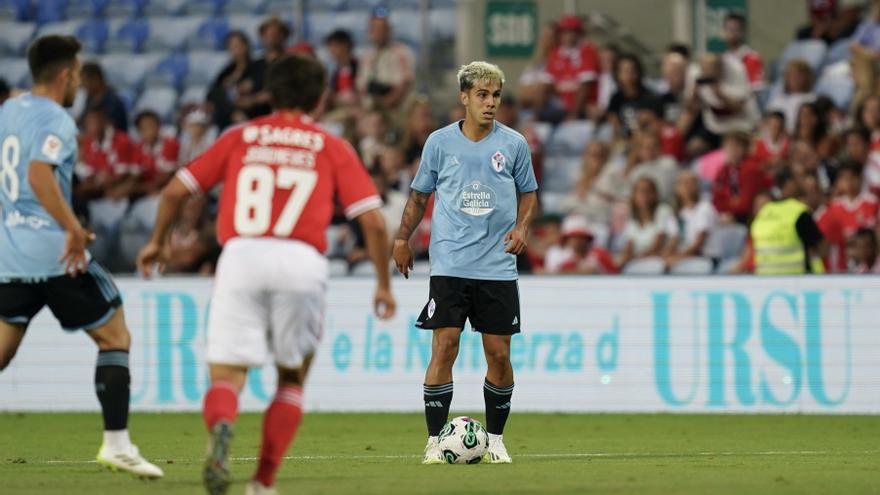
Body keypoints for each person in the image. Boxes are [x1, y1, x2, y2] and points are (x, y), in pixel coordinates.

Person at [136, 53, 395, 495]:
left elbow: (176, 190)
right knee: (291, 377)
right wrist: (382, 283)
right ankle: (262, 482)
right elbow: (371, 221)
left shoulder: (242, 136)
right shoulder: (331, 145)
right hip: (301, 260)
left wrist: (158, 241)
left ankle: (222, 429)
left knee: (227, 377)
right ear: (321, 98)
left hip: (241, 255)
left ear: (270, 94)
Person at [0, 35, 162, 478]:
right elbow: (38, 175)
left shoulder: (8, 112)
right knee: (115, 335)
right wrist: (72, 227)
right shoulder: (57, 119)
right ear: (67, 74)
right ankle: (117, 444)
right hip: (55, 254)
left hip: (9, 255)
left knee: (1, 353)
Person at [391, 61, 538, 465]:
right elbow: (420, 196)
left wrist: (522, 228)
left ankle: (495, 440)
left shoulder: (514, 144)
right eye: (482, 95)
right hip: (451, 264)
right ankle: (435, 442)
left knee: (499, 355)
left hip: (496, 267)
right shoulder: (439, 143)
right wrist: (402, 238)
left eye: (496, 96)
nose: (490, 103)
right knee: (445, 347)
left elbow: (528, 194)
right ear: (464, 97)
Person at [751, 167, 826, 274]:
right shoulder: (798, 212)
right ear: (789, 183)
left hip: (765, 282)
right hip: (797, 282)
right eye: (800, 177)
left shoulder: (763, 212)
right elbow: (822, 248)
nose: (804, 181)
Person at [356, 7, 415, 114]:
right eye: (375, 29)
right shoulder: (367, 55)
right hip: (370, 110)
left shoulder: (401, 52)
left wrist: (385, 104)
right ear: (370, 31)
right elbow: (361, 87)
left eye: (382, 29)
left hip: (395, 109)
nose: (379, 33)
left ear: (389, 30)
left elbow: (405, 84)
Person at [542, 14, 600, 120]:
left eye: (571, 31)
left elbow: (584, 88)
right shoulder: (556, 52)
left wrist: (573, 114)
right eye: (564, 32)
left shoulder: (588, 51)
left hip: (582, 110)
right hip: (559, 108)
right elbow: (547, 85)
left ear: (579, 33)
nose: (567, 36)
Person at [617, 176, 678, 268]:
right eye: (638, 191)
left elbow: (658, 245)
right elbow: (629, 245)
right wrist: (625, 256)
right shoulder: (633, 218)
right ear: (634, 195)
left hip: (657, 258)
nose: (642, 194)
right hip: (638, 259)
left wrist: (636, 258)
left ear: (655, 194)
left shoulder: (663, 210)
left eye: (646, 191)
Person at [206, 31, 263, 130]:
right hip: (228, 121)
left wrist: (252, 99)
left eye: (239, 45)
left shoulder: (260, 66)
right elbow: (213, 94)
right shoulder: (227, 71)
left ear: (247, 45)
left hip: (254, 118)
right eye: (232, 46)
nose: (236, 50)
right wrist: (232, 112)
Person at [665, 170, 717, 267]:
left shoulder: (705, 208)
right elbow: (675, 239)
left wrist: (679, 257)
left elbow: (700, 242)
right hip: (688, 256)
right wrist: (666, 255)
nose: (686, 187)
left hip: (707, 257)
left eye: (690, 183)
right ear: (676, 188)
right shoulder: (676, 213)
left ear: (697, 186)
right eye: (682, 183)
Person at [543, 214, 618, 274]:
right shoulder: (559, 254)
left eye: (581, 237)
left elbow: (614, 275)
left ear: (587, 239)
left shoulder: (599, 253)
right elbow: (550, 274)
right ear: (566, 240)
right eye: (573, 237)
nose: (578, 241)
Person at [766, 59, 816, 134]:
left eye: (798, 75)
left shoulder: (811, 99)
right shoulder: (778, 99)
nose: (793, 79)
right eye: (790, 75)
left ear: (806, 78)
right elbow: (768, 120)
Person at [79, 61, 128, 132]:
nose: (82, 87)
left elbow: (107, 131)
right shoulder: (90, 97)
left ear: (95, 79)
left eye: (84, 81)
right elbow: (82, 120)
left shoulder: (113, 102)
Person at [722, 12, 764, 91]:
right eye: (726, 28)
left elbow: (755, 89)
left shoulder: (751, 57)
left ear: (742, 32)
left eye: (733, 29)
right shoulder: (724, 58)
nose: (730, 33)